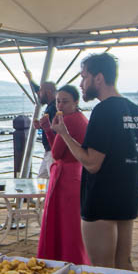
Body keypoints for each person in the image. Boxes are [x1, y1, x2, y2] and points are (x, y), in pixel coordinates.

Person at [53, 53, 138, 270]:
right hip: (129, 197)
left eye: (84, 77)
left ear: (98, 78)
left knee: (102, 270)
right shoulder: (137, 111)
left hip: (102, 200)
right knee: (124, 265)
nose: (81, 84)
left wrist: (64, 134)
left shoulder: (103, 110)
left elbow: (92, 163)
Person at [37, 86, 89, 264]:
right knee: (71, 226)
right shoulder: (80, 118)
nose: (60, 105)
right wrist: (50, 129)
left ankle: (61, 261)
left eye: (65, 101)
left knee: (64, 225)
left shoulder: (69, 120)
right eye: (58, 101)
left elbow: (57, 153)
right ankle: (74, 260)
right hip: (77, 173)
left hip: (66, 177)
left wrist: (48, 130)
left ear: (76, 102)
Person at [25, 70, 58, 178]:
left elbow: (56, 128)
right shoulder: (51, 106)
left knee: (49, 181)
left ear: (48, 92)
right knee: (42, 180)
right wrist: (30, 80)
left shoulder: (54, 108)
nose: (38, 94)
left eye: (40, 91)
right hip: (49, 151)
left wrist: (42, 126)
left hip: (53, 151)